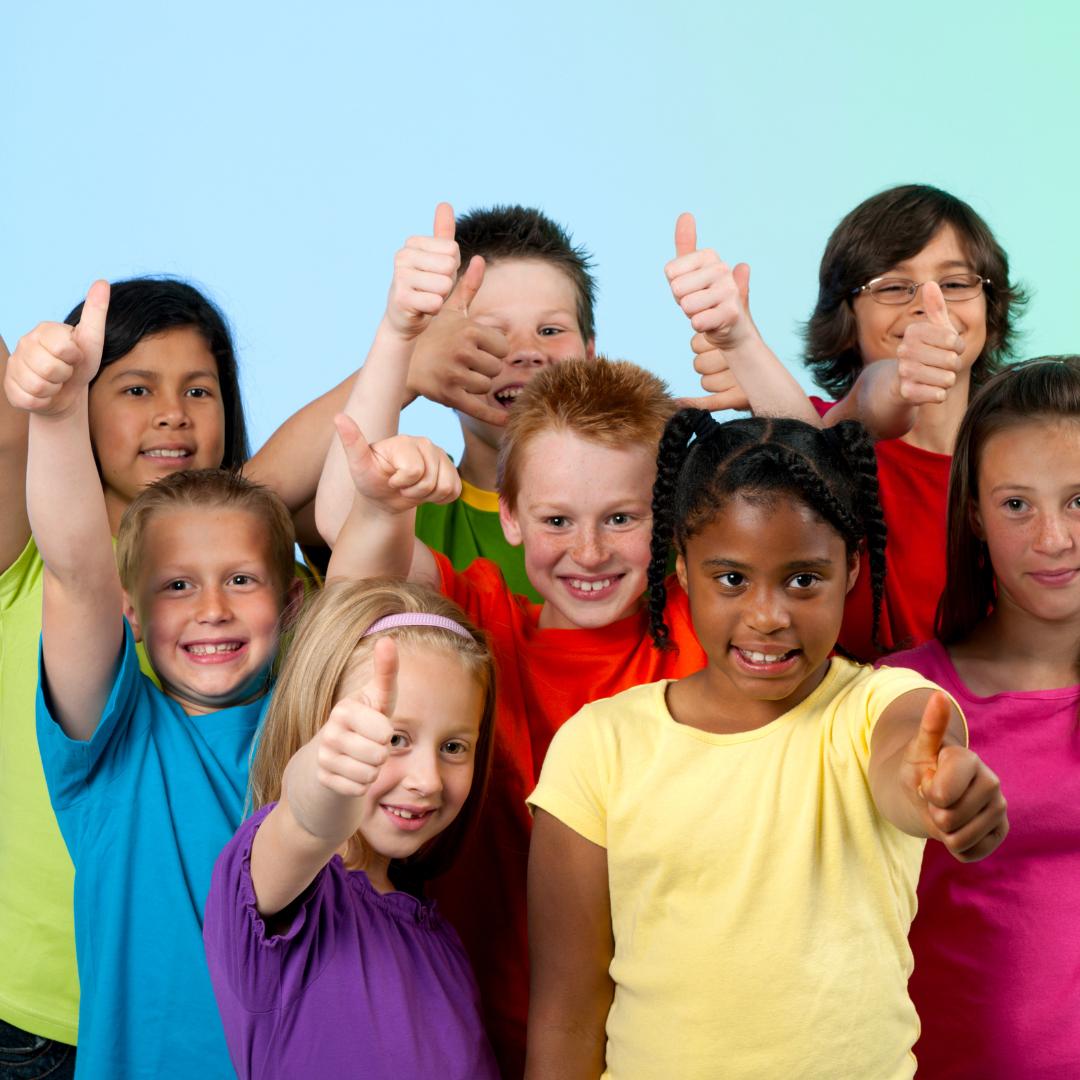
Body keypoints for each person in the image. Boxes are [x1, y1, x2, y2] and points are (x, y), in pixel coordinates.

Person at [316, 209, 817, 1075]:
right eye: (556, 521)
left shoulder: (709, 631)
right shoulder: (478, 625)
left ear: (670, 515)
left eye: (620, 519)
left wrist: (740, 340)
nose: (587, 552)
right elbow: (349, 546)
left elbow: (818, 505)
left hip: (678, 1045)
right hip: (481, 1034)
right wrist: (398, 336)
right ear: (511, 517)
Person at [526, 410, 1009, 1079]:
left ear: (851, 568)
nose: (768, 616)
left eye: (803, 579)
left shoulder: (879, 706)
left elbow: (908, 756)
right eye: (731, 579)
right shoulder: (599, 745)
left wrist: (936, 792)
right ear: (682, 567)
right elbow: (567, 1013)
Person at [1, 277, 348, 1077]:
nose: (172, 414)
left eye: (199, 389)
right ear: (131, 608)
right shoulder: (61, 579)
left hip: (253, 1030)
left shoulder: (276, 628)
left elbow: (324, 538)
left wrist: (403, 346)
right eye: (135, 388)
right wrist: (51, 409)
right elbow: (77, 568)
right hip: (46, 1010)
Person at [203, 580, 499, 1080]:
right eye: (395, 739)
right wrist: (323, 778)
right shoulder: (279, 897)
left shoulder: (438, 939)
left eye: (454, 747)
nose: (427, 780)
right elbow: (304, 821)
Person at [882, 357, 1080, 1079]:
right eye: (1017, 504)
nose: (1053, 538)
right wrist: (933, 796)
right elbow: (901, 768)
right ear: (974, 515)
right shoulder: (908, 689)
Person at [404, 203, 598, 600]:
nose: (527, 351)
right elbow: (273, 491)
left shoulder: (658, 498)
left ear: (590, 356)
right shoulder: (407, 507)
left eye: (550, 330)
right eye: (494, 332)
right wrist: (404, 365)